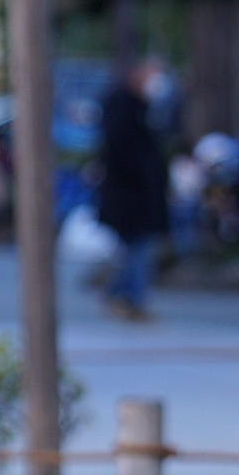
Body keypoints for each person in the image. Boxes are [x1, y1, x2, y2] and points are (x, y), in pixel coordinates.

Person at [96, 60, 169, 320]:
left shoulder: (138, 108)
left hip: (135, 197)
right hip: (131, 197)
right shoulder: (125, 110)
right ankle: (129, 297)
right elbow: (127, 156)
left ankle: (121, 294)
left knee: (133, 249)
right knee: (138, 249)